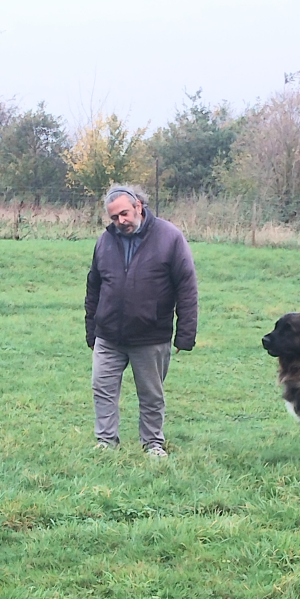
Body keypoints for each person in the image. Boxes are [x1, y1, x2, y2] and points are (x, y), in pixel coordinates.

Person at [84, 185, 198, 456]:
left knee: (151, 395)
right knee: (102, 390)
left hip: (151, 336)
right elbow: (94, 288)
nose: (120, 221)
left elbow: (186, 287)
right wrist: (92, 330)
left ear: (138, 205)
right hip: (108, 335)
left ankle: (152, 443)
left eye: (124, 213)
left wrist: (185, 335)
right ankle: (106, 442)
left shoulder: (169, 237)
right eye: (114, 217)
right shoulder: (104, 241)